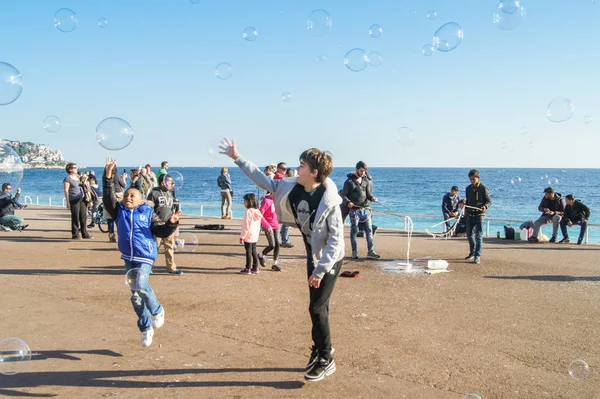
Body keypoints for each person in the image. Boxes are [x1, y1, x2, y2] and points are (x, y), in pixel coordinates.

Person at [222, 138, 344, 382]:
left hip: (329, 259)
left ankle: (326, 359)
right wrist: (237, 157)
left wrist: (319, 271)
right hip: (313, 254)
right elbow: (263, 179)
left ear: (315, 173)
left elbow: (336, 242)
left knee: (316, 307)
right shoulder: (293, 186)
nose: (297, 169)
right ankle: (322, 348)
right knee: (320, 306)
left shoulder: (330, 202)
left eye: (302, 166)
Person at [102, 157, 181, 347]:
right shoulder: (118, 211)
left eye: (132, 196)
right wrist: (108, 176)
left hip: (145, 256)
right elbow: (108, 197)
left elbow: (160, 231)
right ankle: (146, 329)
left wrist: (172, 223)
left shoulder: (147, 213)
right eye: (127, 195)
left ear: (140, 200)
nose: (128, 198)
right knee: (136, 297)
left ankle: (157, 310)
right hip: (128, 257)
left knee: (141, 283)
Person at [340, 161, 379, 259]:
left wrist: (372, 198)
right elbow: (343, 195)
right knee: (354, 231)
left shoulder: (366, 181)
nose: (363, 173)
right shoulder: (348, 182)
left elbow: (368, 195)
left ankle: (371, 251)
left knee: (369, 230)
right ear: (357, 169)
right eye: (361, 170)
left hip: (366, 210)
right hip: (354, 211)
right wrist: (348, 202)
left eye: (364, 171)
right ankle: (354, 252)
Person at [146, 174, 183, 275]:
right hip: (157, 224)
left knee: (169, 246)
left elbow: (172, 208)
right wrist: (153, 221)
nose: (172, 184)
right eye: (170, 182)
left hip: (168, 224)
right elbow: (149, 209)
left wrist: (174, 218)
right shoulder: (154, 193)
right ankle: (148, 267)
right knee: (154, 247)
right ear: (163, 183)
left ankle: (171, 268)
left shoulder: (170, 193)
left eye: (172, 182)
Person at [459, 169, 491, 264]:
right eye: (470, 179)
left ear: (478, 177)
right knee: (469, 234)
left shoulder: (483, 188)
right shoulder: (468, 188)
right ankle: (472, 252)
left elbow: (489, 201)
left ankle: (477, 255)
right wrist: (464, 204)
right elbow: (468, 200)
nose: (472, 181)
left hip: (479, 215)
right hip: (470, 214)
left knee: (478, 235)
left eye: (473, 179)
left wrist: (485, 206)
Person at [63, 162, 92, 239]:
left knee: (83, 216)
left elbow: (85, 185)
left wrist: (86, 181)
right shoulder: (68, 178)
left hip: (82, 198)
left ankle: (84, 233)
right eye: (74, 167)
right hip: (73, 199)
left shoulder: (79, 177)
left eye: (76, 167)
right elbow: (66, 190)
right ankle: (75, 234)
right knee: (75, 216)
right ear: (70, 169)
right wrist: (67, 202)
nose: (76, 169)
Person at [239, 193, 263, 275]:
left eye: (244, 201)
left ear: (248, 202)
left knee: (248, 252)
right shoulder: (258, 211)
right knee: (254, 251)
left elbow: (246, 225)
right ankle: (255, 267)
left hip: (248, 235)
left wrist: (242, 236)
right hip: (255, 235)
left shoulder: (248, 212)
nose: (244, 203)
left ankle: (248, 268)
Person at [258, 192, 281, 271]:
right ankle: (261, 255)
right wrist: (266, 225)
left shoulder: (277, 200)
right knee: (272, 245)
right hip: (268, 225)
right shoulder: (266, 201)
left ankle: (275, 263)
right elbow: (260, 214)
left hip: (276, 225)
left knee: (278, 243)